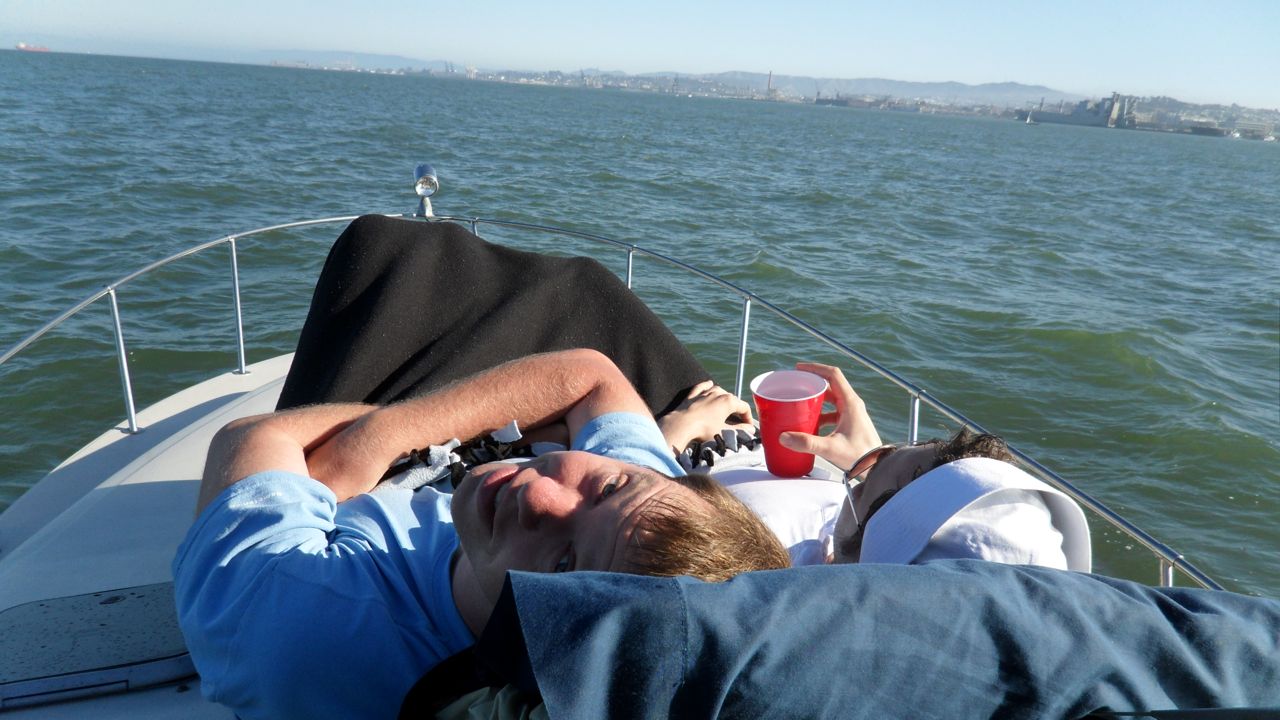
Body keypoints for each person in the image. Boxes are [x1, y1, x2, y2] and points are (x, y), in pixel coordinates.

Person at [173, 348, 789, 720]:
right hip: (424, 469)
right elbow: (592, 373)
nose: (538, 494)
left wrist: (378, 441)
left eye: (565, 565)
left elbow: (253, 438)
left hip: (360, 493)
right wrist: (383, 437)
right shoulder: (647, 518)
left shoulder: (301, 619)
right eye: (608, 487)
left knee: (389, 254)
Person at [673, 362, 1091, 571]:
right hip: (733, 438)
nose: (862, 467)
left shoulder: (767, 563)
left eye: (858, 487)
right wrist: (871, 458)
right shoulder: (859, 543)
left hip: (674, 456)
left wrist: (670, 433)